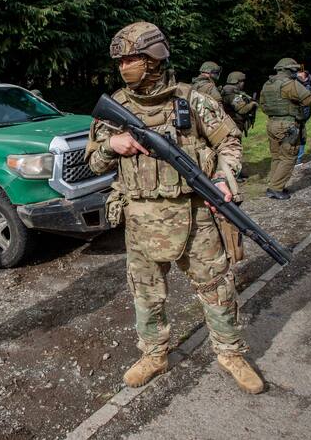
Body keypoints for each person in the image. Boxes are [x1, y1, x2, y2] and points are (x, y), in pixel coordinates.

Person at [86, 22, 263, 394]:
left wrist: (223, 177)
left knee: (218, 287)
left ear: (154, 57)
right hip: (140, 217)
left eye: (132, 58)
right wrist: (111, 145)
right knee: (146, 292)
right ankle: (153, 353)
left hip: (195, 215)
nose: (124, 66)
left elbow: (229, 140)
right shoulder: (114, 107)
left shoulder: (191, 99)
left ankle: (230, 353)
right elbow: (94, 164)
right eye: (120, 60)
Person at [259, 58, 311, 200]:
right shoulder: (290, 84)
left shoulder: (267, 84)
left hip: (272, 123)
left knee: (276, 156)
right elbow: (309, 100)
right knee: (289, 157)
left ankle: (274, 184)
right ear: (290, 70)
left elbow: (263, 105)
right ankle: (276, 188)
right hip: (288, 124)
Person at [295, 70, 311, 165]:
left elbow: (306, 107)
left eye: (301, 77)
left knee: (301, 137)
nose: (298, 79)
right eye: (297, 77)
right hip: (293, 117)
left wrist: (302, 118)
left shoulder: (306, 88)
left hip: (300, 117)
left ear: (306, 78)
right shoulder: (292, 87)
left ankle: (298, 159)